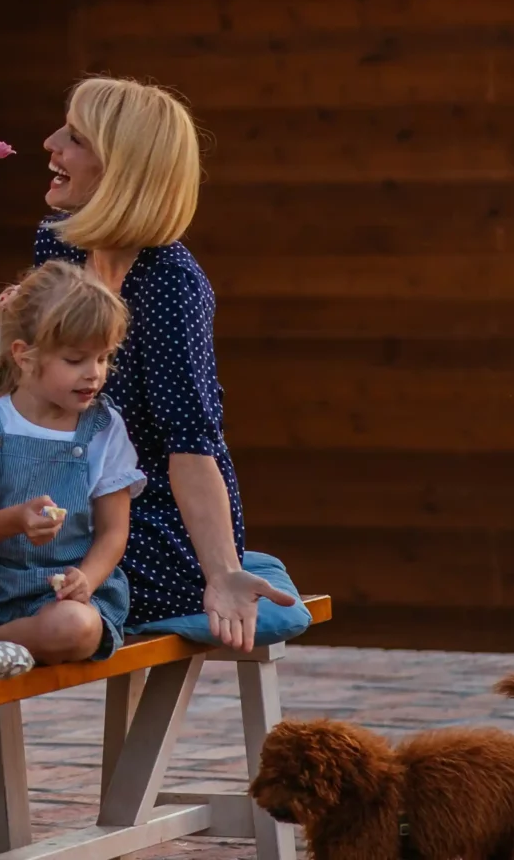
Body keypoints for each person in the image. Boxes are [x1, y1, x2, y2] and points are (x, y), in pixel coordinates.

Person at [31, 75, 307, 652]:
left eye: (75, 138)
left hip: (150, 516)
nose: (51, 143)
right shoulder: (56, 246)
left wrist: (223, 572)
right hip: (66, 490)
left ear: (122, 169)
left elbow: (191, 445)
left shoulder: (170, 285)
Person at [0, 261, 146, 860]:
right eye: (76, 359)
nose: (94, 374)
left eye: (103, 358)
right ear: (25, 354)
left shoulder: (101, 428)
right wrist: (14, 519)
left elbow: (114, 533)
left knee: (72, 628)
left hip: (64, 594)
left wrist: (85, 581)